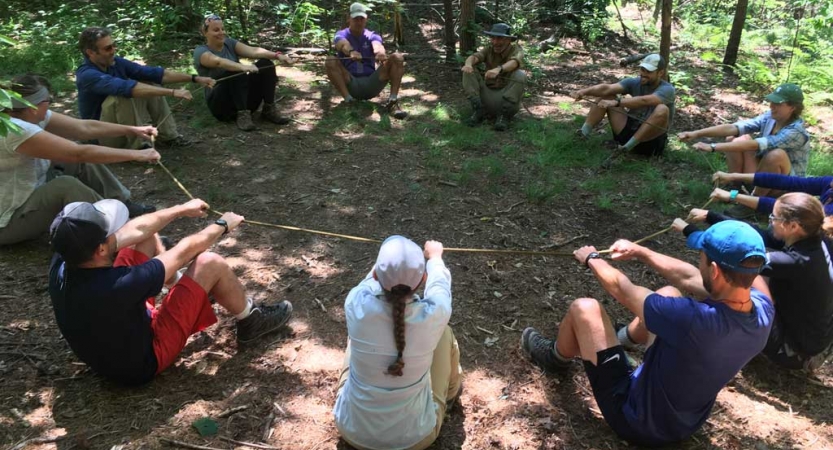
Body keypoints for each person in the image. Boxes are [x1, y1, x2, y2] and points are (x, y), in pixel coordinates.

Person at [520, 221, 773, 446]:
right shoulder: (763, 311)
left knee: (584, 309)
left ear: (715, 270)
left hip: (636, 420)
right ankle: (621, 341)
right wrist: (641, 252)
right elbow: (688, 277)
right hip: (685, 422)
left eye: (702, 257)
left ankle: (555, 358)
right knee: (669, 293)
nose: (699, 262)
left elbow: (622, 288)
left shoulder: (691, 320)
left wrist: (592, 258)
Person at [47, 198, 294, 386]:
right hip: (142, 363)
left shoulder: (65, 258)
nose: (115, 232)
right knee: (210, 263)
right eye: (108, 232)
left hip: (110, 343)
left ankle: (181, 288)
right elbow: (183, 252)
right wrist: (222, 225)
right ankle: (251, 320)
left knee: (140, 237)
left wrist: (181, 209)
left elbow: (138, 229)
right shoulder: (117, 285)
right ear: (100, 249)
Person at [333, 236, 462, 450]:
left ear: (375, 273)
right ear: (422, 280)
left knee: (355, 333)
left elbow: (372, 279)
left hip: (352, 430)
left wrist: (389, 264)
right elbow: (440, 287)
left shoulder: (356, 303)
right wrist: (435, 257)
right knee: (444, 334)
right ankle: (450, 393)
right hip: (415, 438)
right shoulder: (435, 315)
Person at [1, 74, 159, 246]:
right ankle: (124, 235)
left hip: (29, 193)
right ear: (33, 106)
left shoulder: (27, 115)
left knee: (74, 159)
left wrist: (133, 130)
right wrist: (138, 154)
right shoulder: (15, 130)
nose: (50, 104)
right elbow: (79, 153)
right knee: (66, 185)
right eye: (48, 100)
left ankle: (122, 204)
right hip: (8, 221)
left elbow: (83, 128)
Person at [684, 193, 833, 372]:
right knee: (755, 276)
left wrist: (689, 231)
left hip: (794, 352)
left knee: (736, 279)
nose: (770, 221)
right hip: (815, 340)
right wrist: (710, 216)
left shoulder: (796, 261)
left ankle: (712, 323)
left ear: (793, 226)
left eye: (774, 217)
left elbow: (734, 256)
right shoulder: (814, 239)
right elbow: (755, 233)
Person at [677, 83, 810, 217]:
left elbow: (756, 145)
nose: (772, 106)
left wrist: (713, 147)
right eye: (771, 101)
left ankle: (751, 204)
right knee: (737, 137)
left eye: (778, 104)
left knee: (776, 155)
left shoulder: (796, 131)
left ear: (792, 107)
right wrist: (696, 133)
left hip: (785, 188)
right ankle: (736, 187)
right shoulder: (770, 117)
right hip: (764, 174)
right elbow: (735, 127)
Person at [76, 26, 216, 149]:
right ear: (90, 53)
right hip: (101, 137)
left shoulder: (115, 62)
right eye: (107, 48)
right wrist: (172, 92)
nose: (113, 50)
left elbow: (154, 73)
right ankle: (138, 148)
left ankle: (169, 137)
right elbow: (126, 87)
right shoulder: (87, 74)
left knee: (150, 83)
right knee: (122, 95)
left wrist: (195, 78)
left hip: (117, 127)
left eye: (114, 45)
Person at [194, 14, 296, 131]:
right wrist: (241, 67)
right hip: (222, 107)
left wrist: (278, 56)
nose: (221, 32)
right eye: (216, 30)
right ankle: (242, 115)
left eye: (222, 29)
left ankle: (268, 109)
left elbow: (254, 51)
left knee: (265, 64)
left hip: (245, 101)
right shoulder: (200, 51)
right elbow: (218, 62)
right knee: (234, 71)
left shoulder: (229, 43)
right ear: (205, 32)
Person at [571, 53, 675, 157]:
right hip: (628, 131)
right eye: (642, 70)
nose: (643, 74)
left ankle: (626, 149)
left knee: (662, 109)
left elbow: (646, 100)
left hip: (651, 143)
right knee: (605, 96)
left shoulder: (667, 89)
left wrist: (617, 102)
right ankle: (583, 134)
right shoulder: (634, 82)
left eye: (649, 71)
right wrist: (583, 92)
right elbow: (607, 89)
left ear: (660, 73)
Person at [324, 3, 408, 119]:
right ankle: (349, 101)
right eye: (355, 19)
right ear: (349, 18)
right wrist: (351, 51)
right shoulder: (341, 34)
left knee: (397, 58)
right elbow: (342, 44)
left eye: (361, 19)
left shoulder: (372, 35)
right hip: (350, 81)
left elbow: (377, 45)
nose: (359, 22)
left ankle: (393, 102)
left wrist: (380, 53)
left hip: (371, 82)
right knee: (330, 60)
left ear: (366, 19)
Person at [461, 23, 526, 131]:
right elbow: (473, 57)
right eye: (493, 38)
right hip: (486, 96)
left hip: (506, 99)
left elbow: (515, 62)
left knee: (520, 75)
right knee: (468, 71)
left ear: (508, 40)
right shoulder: (488, 50)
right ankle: (478, 111)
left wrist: (499, 69)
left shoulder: (517, 50)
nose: (495, 42)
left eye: (500, 38)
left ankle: (503, 117)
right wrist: (468, 65)